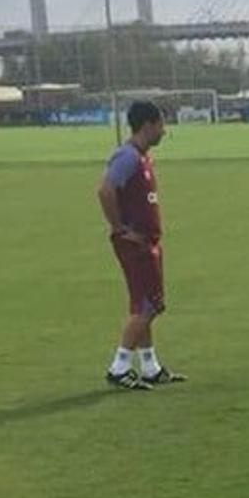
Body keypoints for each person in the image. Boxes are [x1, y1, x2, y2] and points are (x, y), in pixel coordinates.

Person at [98, 100, 182, 390]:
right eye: (161, 124)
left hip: (147, 240)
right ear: (148, 125)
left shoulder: (141, 157)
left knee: (145, 304)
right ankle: (119, 367)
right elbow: (105, 189)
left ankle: (150, 366)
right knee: (150, 305)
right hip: (136, 243)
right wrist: (119, 228)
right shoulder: (128, 157)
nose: (164, 130)